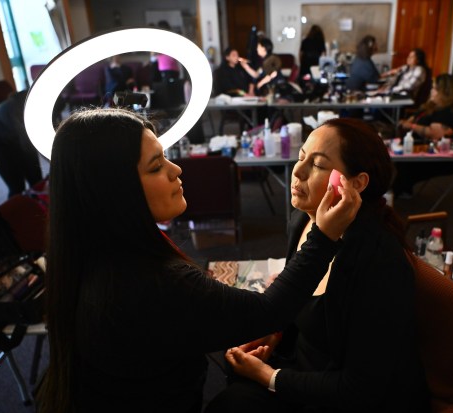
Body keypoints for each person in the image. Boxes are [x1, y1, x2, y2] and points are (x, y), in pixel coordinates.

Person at [36, 107, 362, 413]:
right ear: (115, 191)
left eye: (165, 158)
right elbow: (268, 312)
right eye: (156, 166)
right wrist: (322, 236)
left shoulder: (87, 254)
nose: (176, 169)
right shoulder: (153, 283)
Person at [205, 118, 430, 413]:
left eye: (319, 165)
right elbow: (294, 300)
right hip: (306, 367)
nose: (297, 171)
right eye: (301, 157)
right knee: (231, 381)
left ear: (357, 183)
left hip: (352, 397)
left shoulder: (378, 262)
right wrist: (274, 335)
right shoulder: (304, 220)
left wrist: (266, 375)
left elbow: (362, 389)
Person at [393, 74, 453, 198]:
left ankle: (396, 192)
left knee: (405, 164)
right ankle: (401, 190)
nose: (431, 91)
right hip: (428, 147)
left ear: (444, 92)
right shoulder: (433, 105)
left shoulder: (451, 111)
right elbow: (416, 117)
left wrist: (411, 126)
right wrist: (410, 121)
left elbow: (435, 133)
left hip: (448, 157)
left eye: (434, 89)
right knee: (398, 161)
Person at [0, 89, 43, 198]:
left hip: (14, 135)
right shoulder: (18, 110)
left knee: (37, 181)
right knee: (17, 186)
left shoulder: (44, 101)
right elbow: (28, 145)